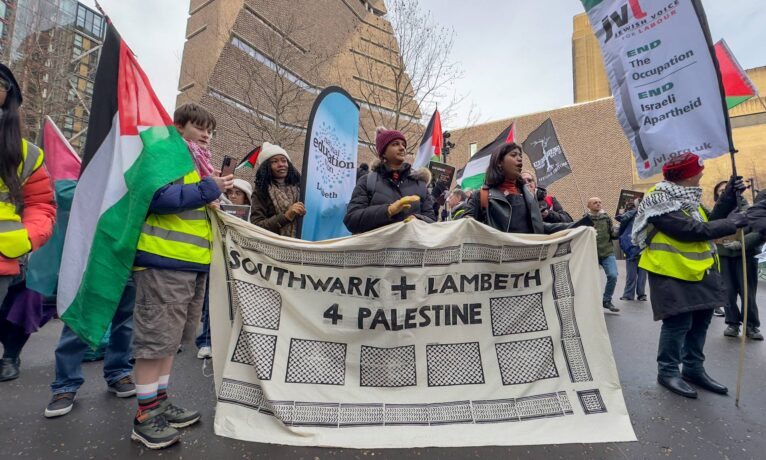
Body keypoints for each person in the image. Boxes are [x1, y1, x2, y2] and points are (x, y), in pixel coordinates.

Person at [129, 103, 233, 449]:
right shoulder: (164, 153)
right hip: (163, 261)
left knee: (171, 340)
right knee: (155, 339)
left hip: (188, 263)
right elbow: (155, 197)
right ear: (180, 125)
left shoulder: (195, 162)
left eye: (210, 130)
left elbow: (187, 204)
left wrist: (210, 196)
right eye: (200, 127)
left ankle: (158, 403)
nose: (206, 134)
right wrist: (208, 190)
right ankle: (145, 416)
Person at [632, 153, 747, 399]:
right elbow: (689, 230)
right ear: (688, 175)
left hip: (698, 270)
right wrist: (733, 223)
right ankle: (668, 371)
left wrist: (728, 198)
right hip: (670, 272)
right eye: (698, 171)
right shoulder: (658, 199)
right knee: (678, 324)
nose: (701, 175)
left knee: (701, 321)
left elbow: (710, 221)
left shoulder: (688, 199)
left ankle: (693, 368)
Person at [0, 64, 56, 382]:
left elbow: (41, 205)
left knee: (24, 308)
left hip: (8, 257)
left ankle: (10, 355)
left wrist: (27, 237)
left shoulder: (27, 154)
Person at [463, 143, 586, 234]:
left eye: (520, 155)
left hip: (529, 264)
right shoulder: (481, 196)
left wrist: (579, 226)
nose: (520, 158)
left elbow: (539, 228)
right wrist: (467, 220)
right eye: (513, 155)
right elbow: (463, 228)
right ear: (499, 162)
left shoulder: (529, 196)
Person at [196, 179, 253, 360]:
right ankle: (206, 342)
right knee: (211, 300)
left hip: (239, 264)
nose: (233, 196)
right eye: (230, 193)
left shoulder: (251, 217)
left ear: (246, 197)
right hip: (217, 260)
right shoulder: (216, 209)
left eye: (238, 193)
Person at [344, 127, 435, 234]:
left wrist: (418, 220)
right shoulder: (367, 181)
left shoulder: (420, 185)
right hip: (376, 249)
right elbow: (352, 220)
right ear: (383, 152)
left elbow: (432, 221)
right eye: (395, 144)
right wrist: (389, 210)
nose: (402, 148)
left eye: (403, 145)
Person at [713, 181, 763, 340]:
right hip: (723, 255)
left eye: (726, 190)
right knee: (727, 291)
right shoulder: (717, 212)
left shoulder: (750, 210)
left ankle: (751, 325)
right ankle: (732, 323)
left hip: (745, 255)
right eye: (720, 191)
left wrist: (742, 243)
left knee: (747, 292)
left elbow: (761, 231)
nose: (723, 193)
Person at [250, 142, 304, 238]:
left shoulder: (301, 186)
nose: (281, 164)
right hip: (275, 246)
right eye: (274, 162)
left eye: (284, 160)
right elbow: (256, 225)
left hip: (303, 243)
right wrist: (286, 217)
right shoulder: (261, 191)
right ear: (266, 167)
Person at [586, 197, 620, 313]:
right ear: (589, 206)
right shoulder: (585, 219)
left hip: (607, 252)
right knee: (590, 280)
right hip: (591, 254)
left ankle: (606, 300)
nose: (598, 204)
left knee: (613, 275)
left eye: (600, 202)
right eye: (595, 202)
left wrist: (621, 227)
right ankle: (590, 302)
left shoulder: (606, 218)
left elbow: (613, 235)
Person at [617, 199, 647, 302]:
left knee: (631, 273)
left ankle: (628, 295)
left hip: (631, 247)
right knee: (642, 274)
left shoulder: (629, 216)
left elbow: (621, 231)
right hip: (644, 247)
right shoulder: (647, 214)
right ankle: (641, 294)